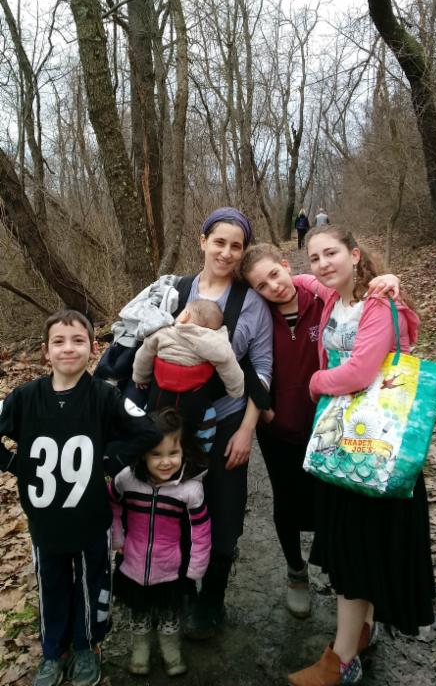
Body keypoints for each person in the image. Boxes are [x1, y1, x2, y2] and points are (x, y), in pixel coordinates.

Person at [98, 207, 273, 640]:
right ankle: (178, 592)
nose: (226, 253)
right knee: (166, 509)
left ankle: (211, 599)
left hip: (225, 420)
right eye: (219, 242)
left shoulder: (251, 302)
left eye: (236, 246)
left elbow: (262, 369)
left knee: (223, 513)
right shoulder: (174, 291)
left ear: (243, 251)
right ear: (203, 241)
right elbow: (138, 337)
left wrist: (247, 430)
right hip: (166, 424)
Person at [287, 226, 435, 686]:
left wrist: (314, 383)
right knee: (360, 549)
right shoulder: (334, 296)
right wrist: (266, 276)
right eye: (314, 257)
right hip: (348, 448)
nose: (322, 264)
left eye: (331, 253)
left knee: (354, 550)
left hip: (377, 452)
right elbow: (296, 280)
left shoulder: (379, 305)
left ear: (354, 255)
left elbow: (360, 372)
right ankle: (362, 633)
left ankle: (342, 661)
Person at [0, 309, 162, 686]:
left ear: (92, 347)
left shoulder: (104, 396)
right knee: (52, 586)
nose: (68, 348)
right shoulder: (24, 397)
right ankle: (52, 651)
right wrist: (14, 464)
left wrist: (110, 459)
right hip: (45, 520)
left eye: (78, 341)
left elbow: (148, 432)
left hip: (91, 517)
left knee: (92, 584)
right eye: (58, 341)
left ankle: (87, 645)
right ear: (46, 351)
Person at [239, 244, 400, 622]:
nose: (273, 287)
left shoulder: (322, 298)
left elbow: (360, 299)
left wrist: (387, 279)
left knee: (333, 504)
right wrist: (264, 407)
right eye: (261, 285)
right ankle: (296, 573)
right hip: (279, 430)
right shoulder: (258, 314)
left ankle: (345, 581)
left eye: (275, 275)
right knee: (286, 502)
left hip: (331, 428)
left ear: (285, 266)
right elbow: (243, 361)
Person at [110, 407, 211, 677]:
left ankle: (170, 650)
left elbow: (201, 530)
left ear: (183, 451)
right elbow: (112, 505)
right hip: (133, 565)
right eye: (156, 454)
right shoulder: (126, 480)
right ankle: (140, 649)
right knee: (139, 614)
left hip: (169, 569)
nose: (165, 462)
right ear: (143, 453)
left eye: (173, 453)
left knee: (169, 616)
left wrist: (196, 567)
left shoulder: (190, 490)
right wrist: (117, 536)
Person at [132, 299, 244, 442]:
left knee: (150, 415)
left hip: (160, 393)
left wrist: (140, 377)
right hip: (194, 398)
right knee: (207, 418)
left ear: (185, 315)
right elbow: (230, 367)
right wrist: (236, 390)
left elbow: (143, 355)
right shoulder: (215, 344)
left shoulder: (163, 333)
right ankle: (202, 447)